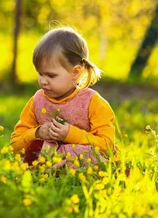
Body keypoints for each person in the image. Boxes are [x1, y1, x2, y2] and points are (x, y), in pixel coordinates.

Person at [10, 26, 116, 169]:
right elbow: (15, 145)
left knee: (93, 156)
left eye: (51, 75)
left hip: (83, 160)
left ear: (76, 72)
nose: (43, 81)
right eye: (40, 74)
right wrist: (37, 132)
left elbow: (107, 145)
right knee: (35, 147)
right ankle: (48, 171)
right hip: (48, 157)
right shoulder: (37, 101)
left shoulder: (92, 102)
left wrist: (70, 134)